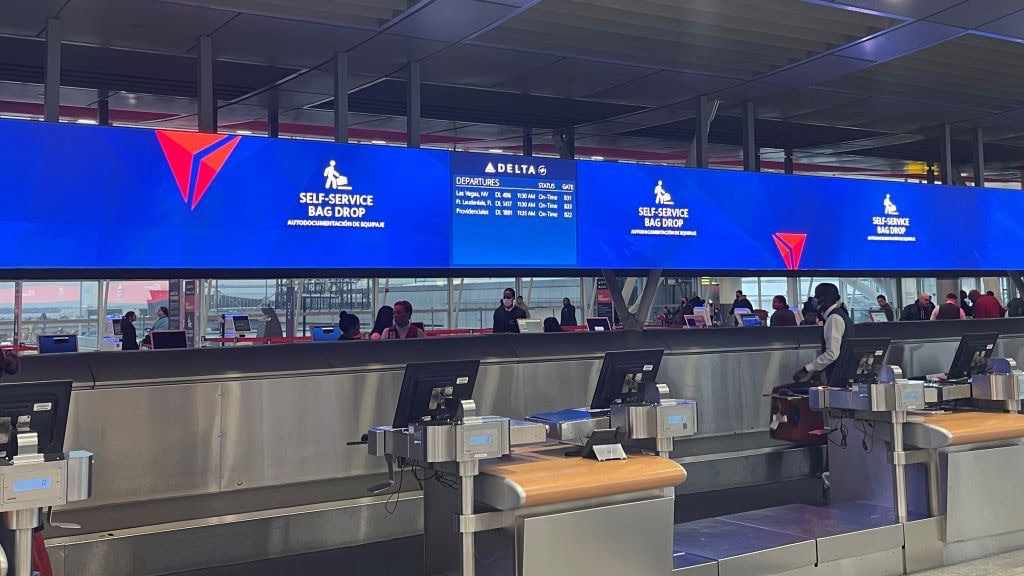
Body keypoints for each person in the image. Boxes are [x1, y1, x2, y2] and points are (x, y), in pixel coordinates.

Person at [794, 283, 853, 385]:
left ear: (823, 299)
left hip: (837, 377)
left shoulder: (833, 318)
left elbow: (832, 354)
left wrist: (807, 369)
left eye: (816, 296)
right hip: (843, 374)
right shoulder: (841, 315)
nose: (814, 300)